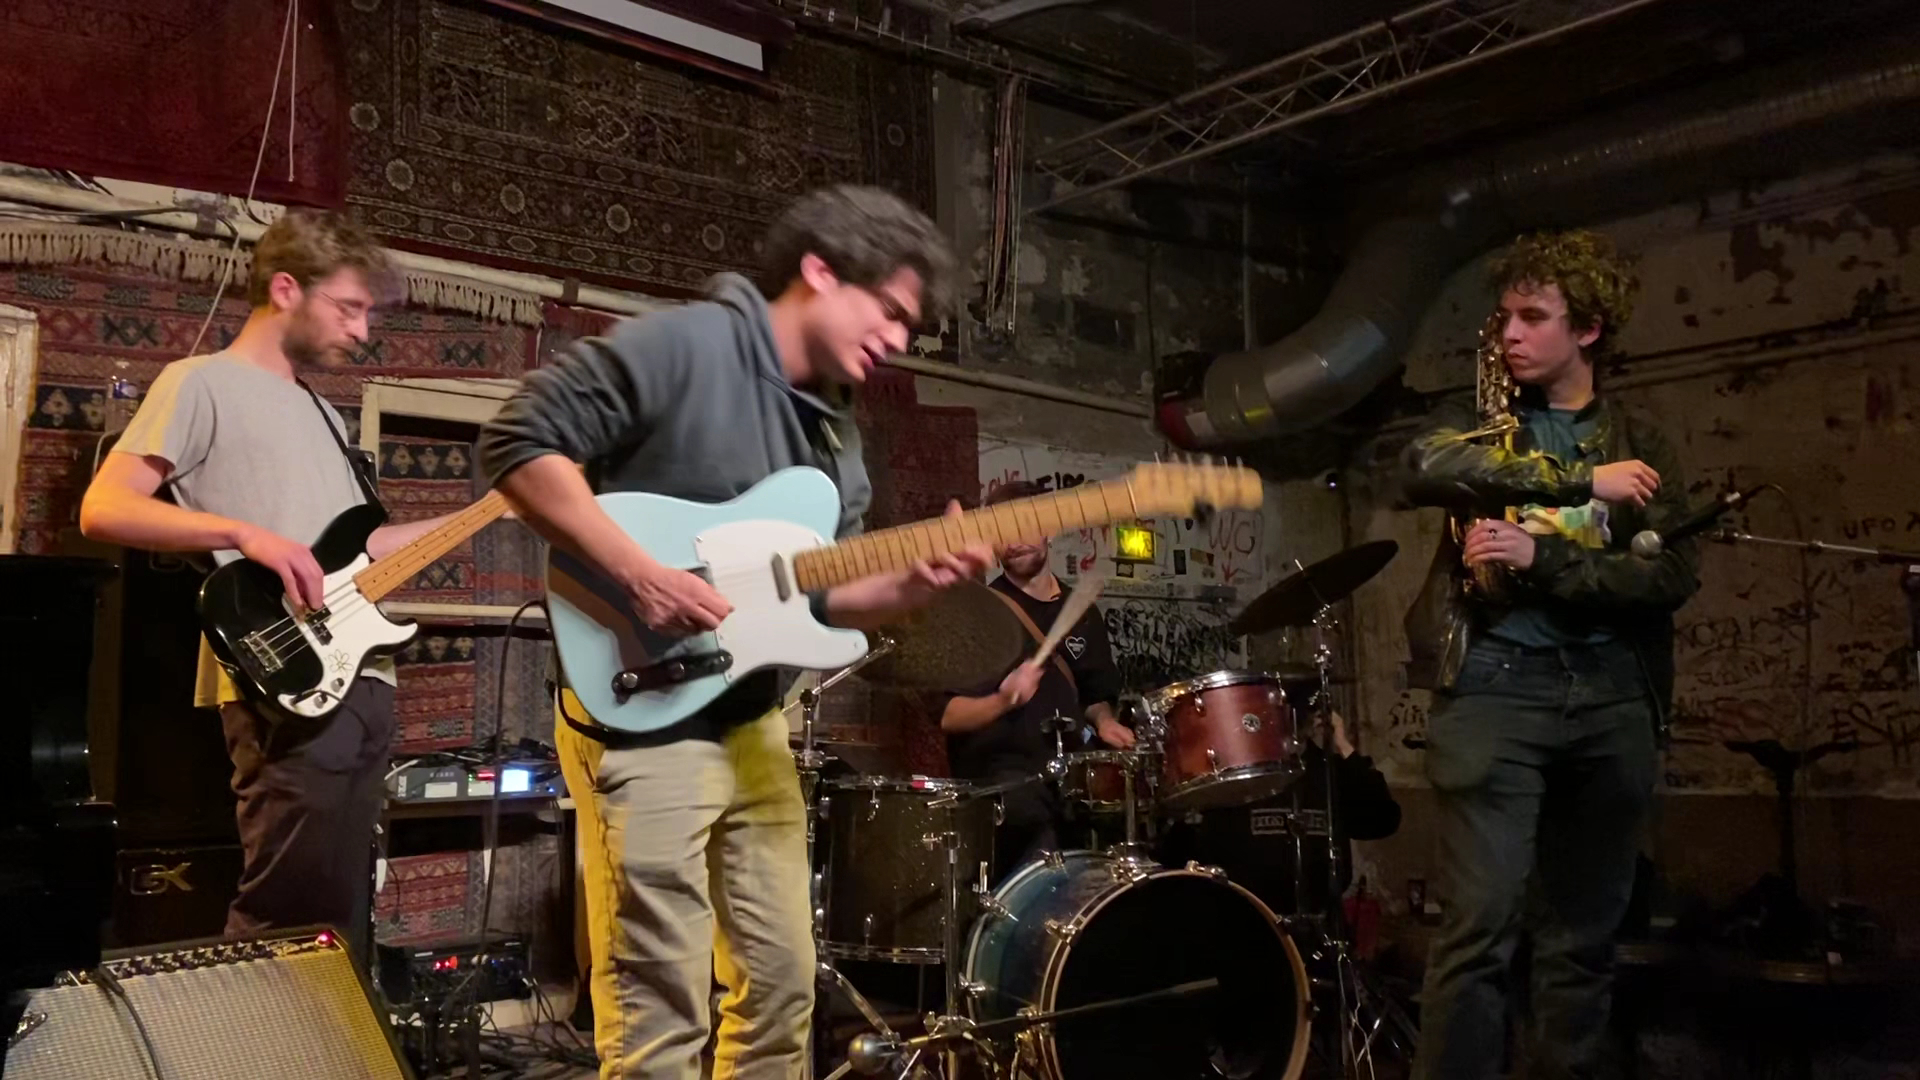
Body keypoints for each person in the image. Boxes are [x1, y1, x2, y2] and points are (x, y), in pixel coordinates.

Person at [476, 185, 994, 1080]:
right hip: (645, 709)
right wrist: (639, 573)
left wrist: (912, 583)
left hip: (753, 721)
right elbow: (517, 442)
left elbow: (822, 600)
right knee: (661, 1006)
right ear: (820, 271)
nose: (899, 339)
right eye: (889, 310)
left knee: (784, 989)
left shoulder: (836, 439)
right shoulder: (685, 347)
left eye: (909, 327)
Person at [79, 211, 468, 964]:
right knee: (284, 917)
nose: (361, 331)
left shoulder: (324, 414)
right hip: (285, 680)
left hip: (365, 681)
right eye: (348, 308)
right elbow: (103, 508)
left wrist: (493, 508)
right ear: (286, 289)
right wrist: (245, 533)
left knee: (339, 924)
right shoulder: (199, 383)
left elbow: (360, 555)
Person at [1399, 229, 1700, 1079]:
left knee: (1583, 939)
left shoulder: (1640, 438)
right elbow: (1419, 465)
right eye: (1504, 317)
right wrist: (1576, 482)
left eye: (1533, 317)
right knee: (1478, 931)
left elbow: (1671, 574)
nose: (1510, 335)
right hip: (1496, 687)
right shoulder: (1476, 422)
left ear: (1589, 329)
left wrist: (1545, 559)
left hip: (1612, 694)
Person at [935, 480, 1133, 882]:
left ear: (1050, 528)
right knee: (1031, 821)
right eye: (1001, 531)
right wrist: (1003, 700)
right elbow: (949, 716)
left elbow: (1095, 694)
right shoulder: (977, 615)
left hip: (1071, 780)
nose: (1015, 540)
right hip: (1007, 786)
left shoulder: (1081, 611)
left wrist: (1105, 721)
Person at [1157, 707, 1400, 919]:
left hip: (1321, 925)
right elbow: (1181, 853)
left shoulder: (1330, 771)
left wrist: (1344, 745)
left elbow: (1382, 819)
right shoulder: (1235, 776)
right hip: (1249, 924)